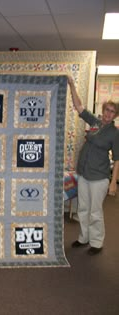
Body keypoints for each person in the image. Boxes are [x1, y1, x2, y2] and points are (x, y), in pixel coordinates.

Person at [67, 76, 119, 255]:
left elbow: (118, 159)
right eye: (107, 110)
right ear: (103, 110)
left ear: (115, 115)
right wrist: (72, 85)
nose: (108, 113)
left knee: (95, 211)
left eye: (112, 111)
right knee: (83, 208)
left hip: (99, 177)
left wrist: (113, 183)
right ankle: (84, 238)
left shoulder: (114, 133)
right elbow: (79, 106)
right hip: (83, 174)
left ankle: (96, 242)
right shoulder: (95, 123)